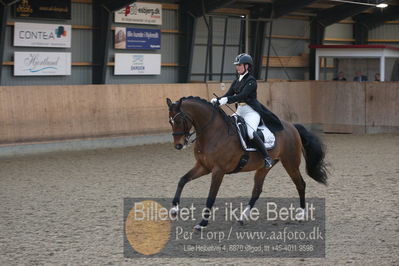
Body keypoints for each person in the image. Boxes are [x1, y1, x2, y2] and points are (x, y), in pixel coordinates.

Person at [211, 53, 284, 169]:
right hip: (240, 110)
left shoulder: (251, 81)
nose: (237, 67)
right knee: (227, 126)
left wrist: (225, 100)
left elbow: (242, 96)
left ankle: (266, 157)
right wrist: (218, 100)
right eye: (237, 65)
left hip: (251, 112)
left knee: (250, 132)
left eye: (240, 65)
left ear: (247, 66)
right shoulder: (236, 81)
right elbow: (228, 95)